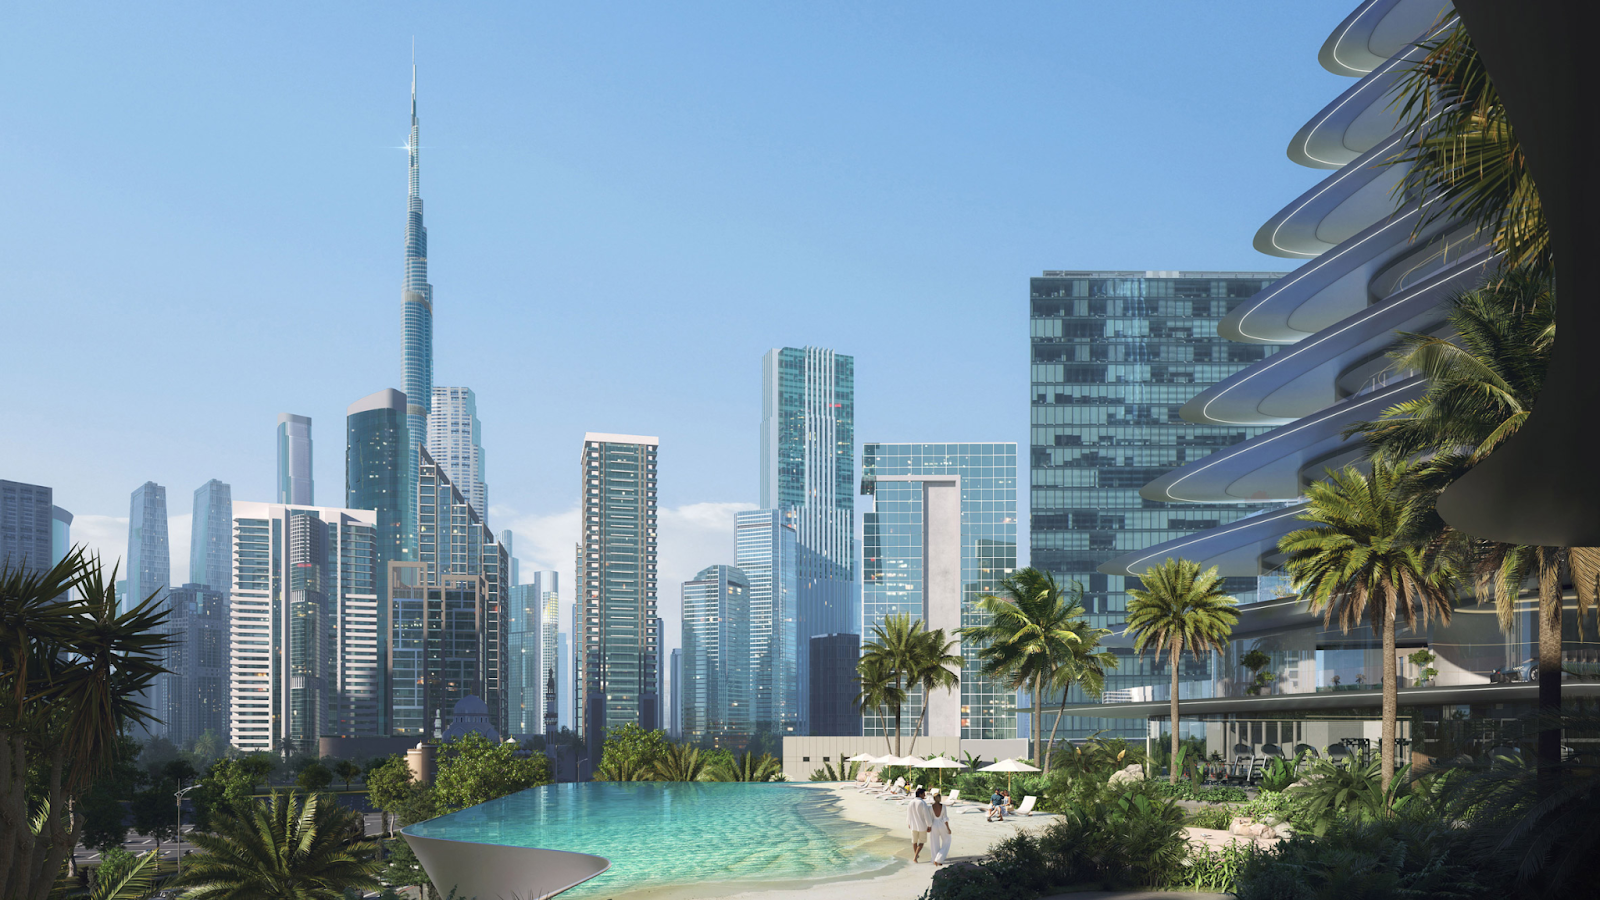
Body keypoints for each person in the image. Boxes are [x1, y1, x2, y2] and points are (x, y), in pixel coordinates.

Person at [907, 787, 933, 862]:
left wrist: (908, 822)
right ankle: (915, 857)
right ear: (920, 794)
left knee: (914, 841)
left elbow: (908, 814)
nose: (924, 795)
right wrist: (929, 825)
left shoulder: (911, 802)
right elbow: (926, 815)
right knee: (921, 842)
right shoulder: (922, 803)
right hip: (922, 825)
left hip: (913, 825)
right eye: (924, 794)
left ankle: (916, 855)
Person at [928, 790, 953, 865]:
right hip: (942, 824)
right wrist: (948, 828)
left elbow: (930, 819)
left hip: (934, 825)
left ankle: (935, 859)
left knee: (934, 842)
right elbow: (945, 818)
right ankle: (939, 859)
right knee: (947, 840)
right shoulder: (944, 807)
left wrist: (928, 827)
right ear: (940, 798)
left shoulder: (930, 807)